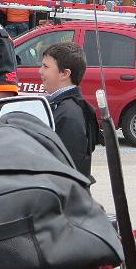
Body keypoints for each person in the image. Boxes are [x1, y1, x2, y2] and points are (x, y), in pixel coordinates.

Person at [39, 42, 100, 178]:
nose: (40, 71)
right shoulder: (63, 106)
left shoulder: (69, 114)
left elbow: (67, 168)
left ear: (64, 74)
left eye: (46, 66)